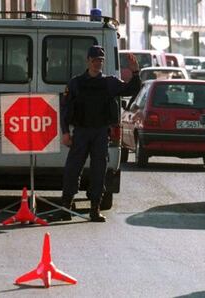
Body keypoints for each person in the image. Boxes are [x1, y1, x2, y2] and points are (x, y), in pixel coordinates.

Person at [56, 45, 141, 222]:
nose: (98, 63)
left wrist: (135, 73)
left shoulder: (109, 82)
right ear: (88, 61)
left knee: (98, 171)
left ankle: (95, 208)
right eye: (95, 60)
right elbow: (64, 109)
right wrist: (65, 132)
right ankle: (66, 206)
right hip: (81, 132)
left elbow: (130, 90)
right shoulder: (76, 83)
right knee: (72, 169)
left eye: (101, 60)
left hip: (100, 132)